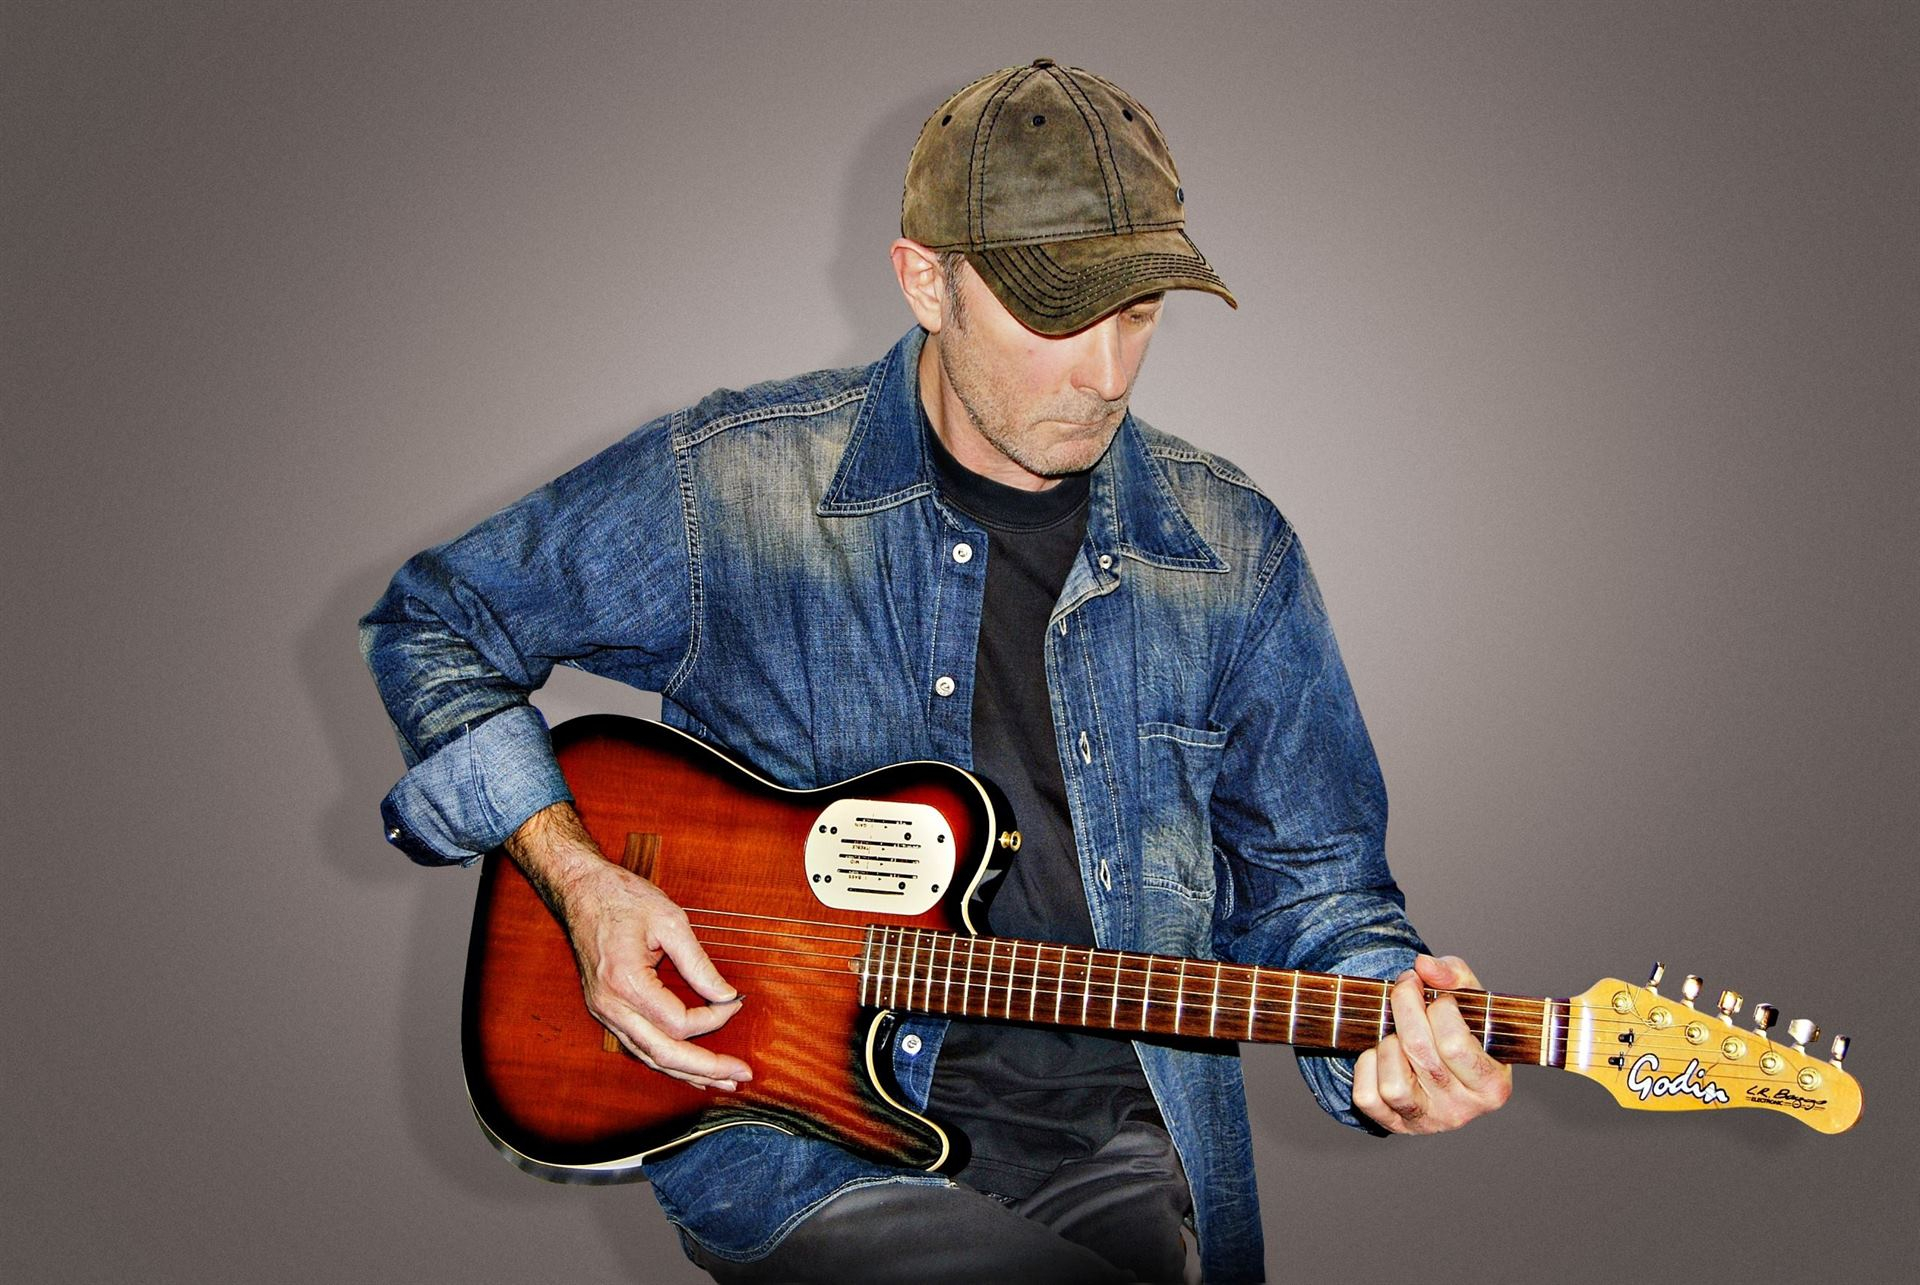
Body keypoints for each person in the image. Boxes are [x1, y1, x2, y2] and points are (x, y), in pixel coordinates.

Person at [362, 60, 1510, 1284]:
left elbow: (1317, 886)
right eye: (1059, 316)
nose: (1108, 372)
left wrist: (1388, 1033)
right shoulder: (735, 486)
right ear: (926, 280)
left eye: (1138, 314)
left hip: (1106, 1140)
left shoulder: (1232, 552)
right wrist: (582, 883)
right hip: (798, 1138)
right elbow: (434, 622)